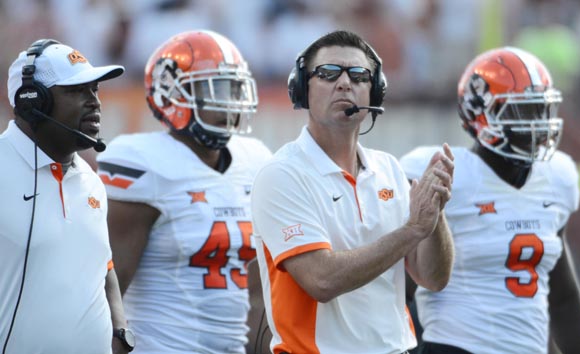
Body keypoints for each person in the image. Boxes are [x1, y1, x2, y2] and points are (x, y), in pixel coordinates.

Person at [251, 30, 455, 354]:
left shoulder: (389, 168)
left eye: (359, 75)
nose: (345, 83)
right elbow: (322, 280)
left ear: (375, 91)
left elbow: (433, 278)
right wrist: (413, 229)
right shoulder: (281, 175)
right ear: (302, 89)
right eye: (329, 73)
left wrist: (435, 214)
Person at [400, 46, 580, 354]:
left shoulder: (557, 177)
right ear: (481, 114)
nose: (538, 125)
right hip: (456, 347)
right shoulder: (445, 171)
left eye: (541, 110)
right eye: (523, 111)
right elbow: (401, 290)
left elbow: (563, 299)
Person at [96, 30, 272, 354]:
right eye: (216, 89)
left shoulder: (256, 159)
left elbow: (259, 297)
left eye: (234, 89)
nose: (230, 103)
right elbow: (108, 288)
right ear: (171, 94)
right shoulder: (143, 163)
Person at [0, 39, 131, 354]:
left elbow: (103, 265)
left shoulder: (90, 180)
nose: (95, 102)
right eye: (76, 91)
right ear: (33, 102)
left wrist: (121, 333)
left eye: (94, 90)